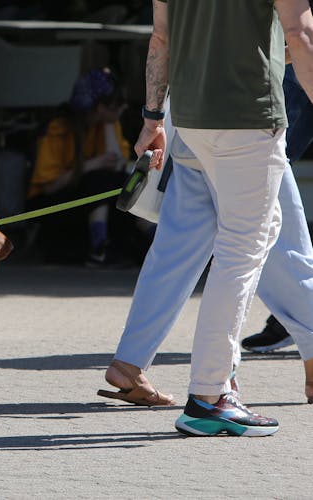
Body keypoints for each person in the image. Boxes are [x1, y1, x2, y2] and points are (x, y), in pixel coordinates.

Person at [102, 0, 313, 437]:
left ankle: (210, 385)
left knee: (229, 241)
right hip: (248, 115)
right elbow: (300, 33)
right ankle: (211, 394)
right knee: (244, 250)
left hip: (191, 119)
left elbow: (161, 38)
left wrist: (152, 118)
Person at [26, 68, 146, 267]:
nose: (122, 108)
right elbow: (48, 187)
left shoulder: (106, 124)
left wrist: (109, 124)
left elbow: (117, 165)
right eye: (116, 104)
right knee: (98, 181)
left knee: (123, 184)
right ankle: (98, 247)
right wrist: (91, 165)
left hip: (89, 199)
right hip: (52, 205)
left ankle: (152, 238)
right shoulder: (58, 128)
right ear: (99, 107)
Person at [242, 64, 313, 353]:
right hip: (296, 54)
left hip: (298, 48)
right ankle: (296, 313)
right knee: (268, 174)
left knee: (267, 172)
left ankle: (297, 313)